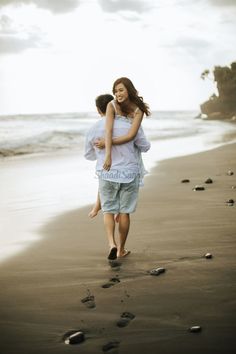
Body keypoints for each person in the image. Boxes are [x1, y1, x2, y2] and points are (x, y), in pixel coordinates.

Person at [84, 93, 151, 260]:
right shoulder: (130, 124)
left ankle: (111, 244)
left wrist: (101, 153)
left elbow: (88, 155)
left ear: (98, 109)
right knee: (124, 212)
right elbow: (145, 146)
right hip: (128, 173)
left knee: (108, 210)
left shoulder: (93, 129)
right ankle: (121, 249)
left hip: (106, 173)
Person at [89, 77, 150, 218]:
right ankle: (110, 209)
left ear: (129, 90)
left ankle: (110, 209)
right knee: (110, 180)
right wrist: (107, 153)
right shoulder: (114, 107)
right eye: (115, 91)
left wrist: (107, 144)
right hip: (121, 155)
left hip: (126, 153)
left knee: (111, 180)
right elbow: (110, 131)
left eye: (121, 90)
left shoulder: (137, 111)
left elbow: (131, 136)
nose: (118, 94)